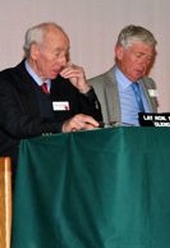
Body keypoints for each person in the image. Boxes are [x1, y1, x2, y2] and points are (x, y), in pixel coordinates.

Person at [0, 22, 102, 168]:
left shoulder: (66, 83)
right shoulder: (6, 82)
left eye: (65, 54)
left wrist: (84, 89)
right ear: (35, 51)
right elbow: (17, 125)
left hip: (63, 171)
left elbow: (96, 126)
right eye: (57, 54)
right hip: (20, 174)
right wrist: (62, 126)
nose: (63, 61)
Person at [89, 25, 158, 126]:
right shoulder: (94, 87)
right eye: (139, 56)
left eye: (148, 59)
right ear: (120, 53)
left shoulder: (149, 84)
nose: (144, 64)